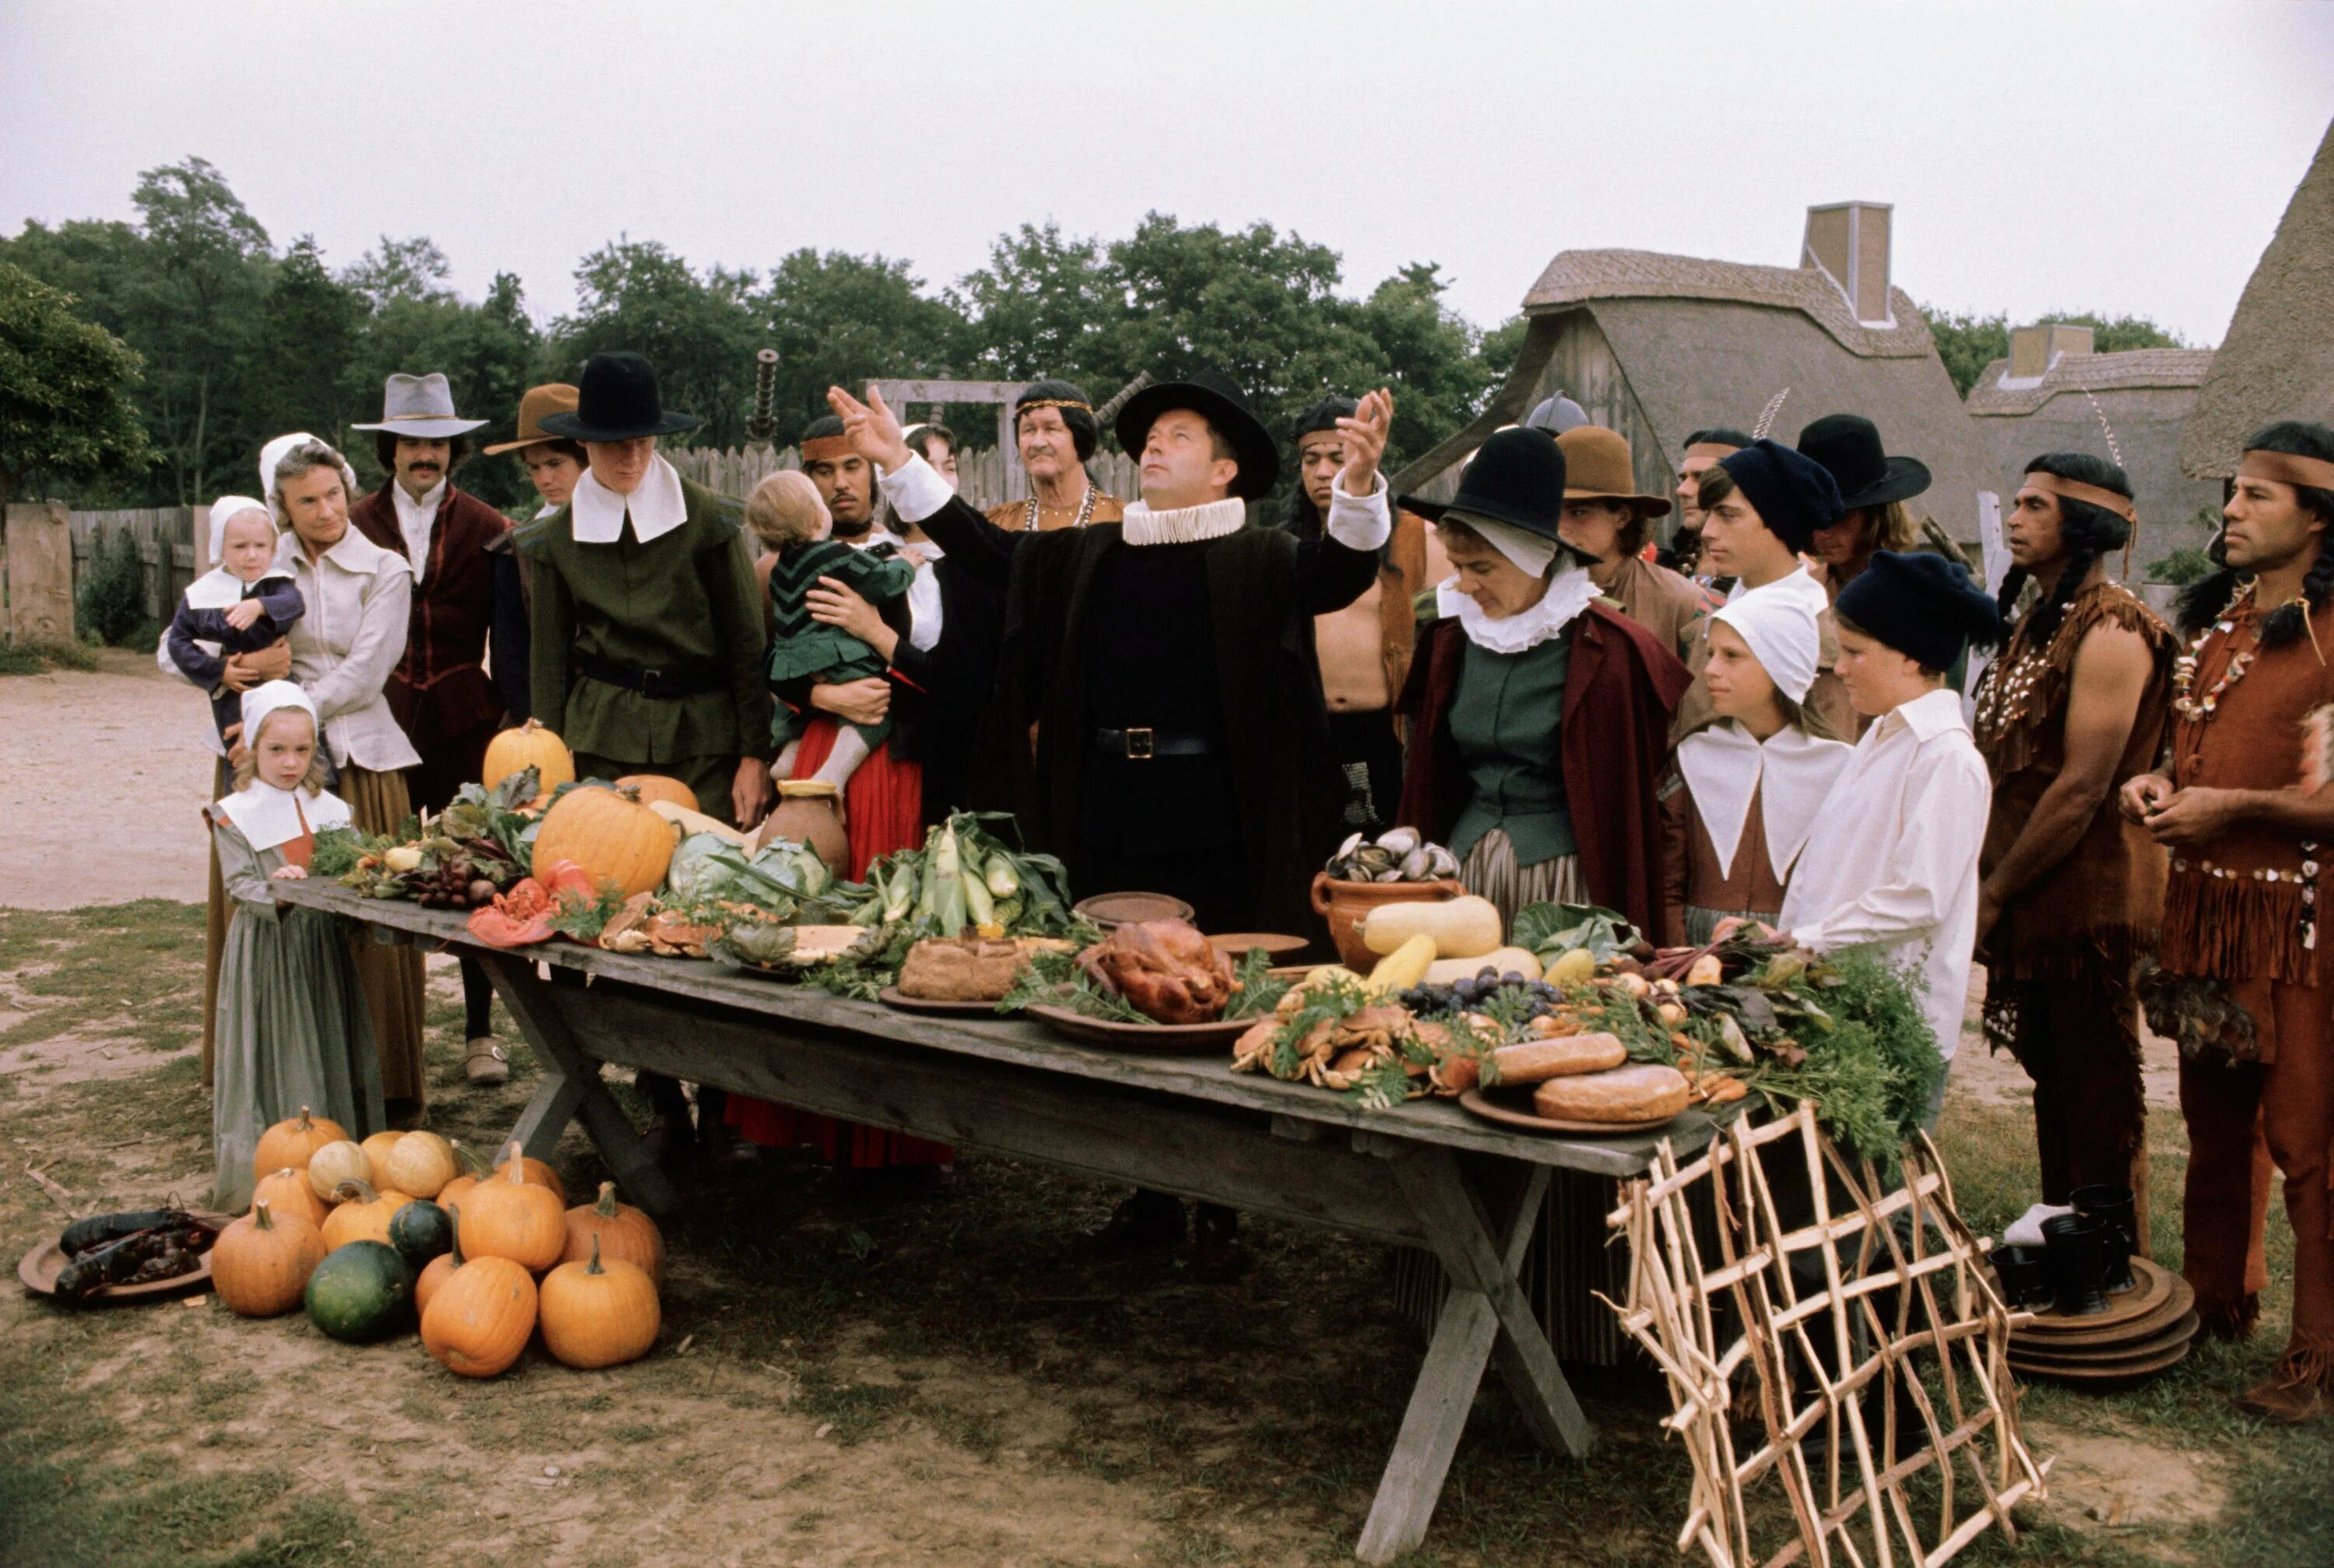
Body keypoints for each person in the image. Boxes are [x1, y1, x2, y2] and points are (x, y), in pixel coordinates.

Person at [836, 370, 1392, 1272]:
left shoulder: (1264, 558)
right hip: (1110, 813)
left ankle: (1220, 1210)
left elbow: (1344, 569)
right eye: (1149, 436)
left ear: (1224, 474)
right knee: (1128, 1003)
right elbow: (986, 553)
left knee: (1210, 1009)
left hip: (1219, 819)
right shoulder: (1092, 553)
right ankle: (1149, 1196)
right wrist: (899, 463)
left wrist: (1361, 487)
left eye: (1178, 435)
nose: (1152, 446)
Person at [2119, 420, 2334, 1423]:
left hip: (2299, 918)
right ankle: (2217, 1301)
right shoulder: (2225, 626)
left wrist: (2235, 810)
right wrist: (2160, 785)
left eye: (2257, 496)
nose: (2231, 510)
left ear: (2319, 516)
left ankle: (2317, 1359)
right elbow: (2194, 751)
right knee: (2213, 1126)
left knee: (2307, 1139)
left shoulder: (2332, 635)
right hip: (2205, 914)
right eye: (2232, 492)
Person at [524, 352, 773, 1169]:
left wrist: (752, 752)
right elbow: (550, 660)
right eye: (609, 444)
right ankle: (662, 1099)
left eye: (639, 441)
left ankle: (729, 1106)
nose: (627, 458)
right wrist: (548, 768)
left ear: (657, 440)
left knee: (710, 915)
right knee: (619, 927)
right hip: (604, 743)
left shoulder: (708, 520)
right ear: (583, 445)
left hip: (702, 735)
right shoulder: (555, 541)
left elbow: (746, 645)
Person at [1972, 453, 2174, 1248]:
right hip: (2035, 889)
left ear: (2081, 526)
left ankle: (2114, 1261)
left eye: (2035, 506)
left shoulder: (2114, 627)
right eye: (2016, 502)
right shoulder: (2039, 619)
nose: (2015, 519)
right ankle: (2068, 1244)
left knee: (2096, 1085)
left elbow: (2083, 787)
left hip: (2087, 896)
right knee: (2053, 1080)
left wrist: (1995, 891)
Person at [1396, 426, 1690, 935]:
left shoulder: (1611, 650)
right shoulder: (1452, 642)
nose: (1466, 585)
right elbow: (1428, 775)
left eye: (1482, 567)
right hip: (1462, 882)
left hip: (1565, 889)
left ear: (1535, 554)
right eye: (1459, 566)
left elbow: (1641, 804)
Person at [1775, 551, 2001, 1129]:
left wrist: (1808, 939)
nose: (1841, 668)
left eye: (1855, 653)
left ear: (1911, 656)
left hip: (1894, 1022)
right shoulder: (1882, 735)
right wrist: (1788, 938)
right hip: (1838, 1003)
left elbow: (1920, 896)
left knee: (1887, 1192)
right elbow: (1831, 863)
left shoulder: (1945, 757)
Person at [349, 372, 515, 1090]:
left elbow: (510, 637)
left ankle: (481, 1033)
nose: (426, 456)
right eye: (414, 441)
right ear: (390, 447)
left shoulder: (490, 527)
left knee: (473, 872)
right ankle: (377, 1034)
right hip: (377, 717)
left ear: (455, 452)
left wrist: (513, 719)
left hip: (462, 716)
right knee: (376, 868)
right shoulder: (352, 523)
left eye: (440, 444)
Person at [261, 433, 431, 1124]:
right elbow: (204, 637)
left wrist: (293, 708)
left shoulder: (385, 569)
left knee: (374, 927)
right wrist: (233, 675)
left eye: (334, 494)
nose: (327, 510)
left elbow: (368, 670)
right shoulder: (263, 567)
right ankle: (301, 1083)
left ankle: (388, 1085)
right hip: (279, 767)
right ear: (286, 508)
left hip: (361, 758)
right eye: (308, 501)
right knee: (294, 924)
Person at [207, 682, 384, 1210]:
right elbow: (239, 885)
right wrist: (280, 891)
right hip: (270, 951)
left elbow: (350, 872)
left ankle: (335, 1160)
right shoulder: (235, 814)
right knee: (282, 1045)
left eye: (301, 751)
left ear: (316, 751)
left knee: (326, 1038)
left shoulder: (332, 810)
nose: (289, 763)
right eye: (276, 750)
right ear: (251, 751)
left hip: (319, 950)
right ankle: (280, 1169)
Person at [1660, 587, 1852, 947]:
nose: (1710, 670)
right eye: (1711, 654)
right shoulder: (1692, 755)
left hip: (1795, 951)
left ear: (1781, 663)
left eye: (1732, 656)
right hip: (1700, 947)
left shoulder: (1838, 766)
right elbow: (1668, 882)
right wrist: (1681, 957)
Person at [1287, 396, 1429, 831]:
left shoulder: (1412, 539)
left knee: (1382, 861)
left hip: (1381, 733)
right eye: (1311, 460)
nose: (1324, 472)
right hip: (1306, 733)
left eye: (1337, 457)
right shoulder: (1283, 547)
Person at [1671, 440, 1856, 740]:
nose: (1708, 531)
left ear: (1778, 523)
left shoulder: (1819, 640)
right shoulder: (1714, 615)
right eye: (1710, 514)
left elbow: (1824, 767)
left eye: (1728, 515)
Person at [748, 471, 916, 792]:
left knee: (793, 712)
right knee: (874, 712)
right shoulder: (833, 555)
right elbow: (882, 582)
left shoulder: (783, 566)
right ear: (815, 518)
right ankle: (834, 774)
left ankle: (788, 753)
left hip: (793, 662)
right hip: (833, 653)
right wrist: (906, 564)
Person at [1554, 424, 1711, 661]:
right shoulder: (1535, 593)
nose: (1561, 529)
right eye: (1554, 512)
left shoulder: (1679, 602)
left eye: (1579, 513)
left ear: (1622, 516)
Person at [482, 382, 588, 725]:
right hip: (541, 716)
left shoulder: (631, 531)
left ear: (585, 457)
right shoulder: (515, 549)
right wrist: (537, 725)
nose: (545, 479)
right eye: (534, 467)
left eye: (555, 463)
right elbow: (510, 656)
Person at [165, 498, 303, 751]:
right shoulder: (202, 593)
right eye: (240, 546)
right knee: (242, 754)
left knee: (287, 746)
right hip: (231, 692)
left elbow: (294, 603)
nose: (251, 555)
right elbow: (177, 642)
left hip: (278, 686)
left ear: (272, 549)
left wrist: (259, 606)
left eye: (260, 546)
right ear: (222, 549)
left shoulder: (276, 584)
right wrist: (218, 671)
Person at [1796, 413, 1931, 599]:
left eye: (1838, 515)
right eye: (1813, 514)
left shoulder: (1916, 592)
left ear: (1876, 514)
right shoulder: (1804, 594)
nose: (1822, 532)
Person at [986, 380, 1126, 534]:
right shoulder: (998, 525)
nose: (1038, 443)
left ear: (1080, 436)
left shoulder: (1122, 522)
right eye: (1029, 430)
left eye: (1051, 429)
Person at [1665, 426, 1750, 581]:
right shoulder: (1664, 566)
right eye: (1684, 478)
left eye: (1700, 477)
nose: (1682, 490)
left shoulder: (1768, 576)